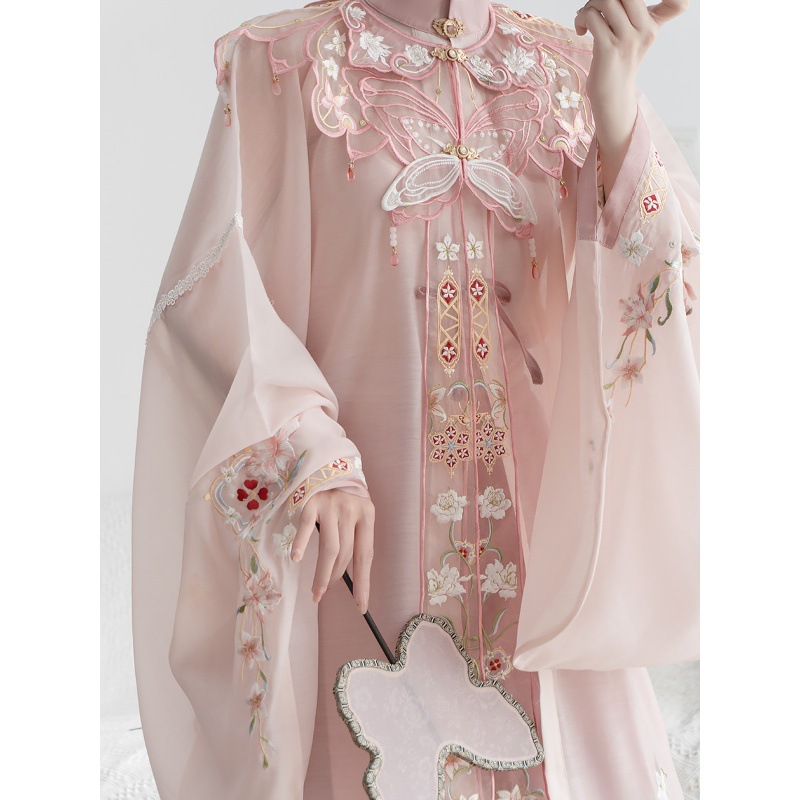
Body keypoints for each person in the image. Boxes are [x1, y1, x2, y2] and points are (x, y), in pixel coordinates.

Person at [132, 1, 699, 798]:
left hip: (540, 567)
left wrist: (615, 111)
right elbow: (211, 294)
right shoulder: (287, 69)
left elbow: (677, 291)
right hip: (368, 558)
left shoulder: (566, 72)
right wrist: (307, 446)